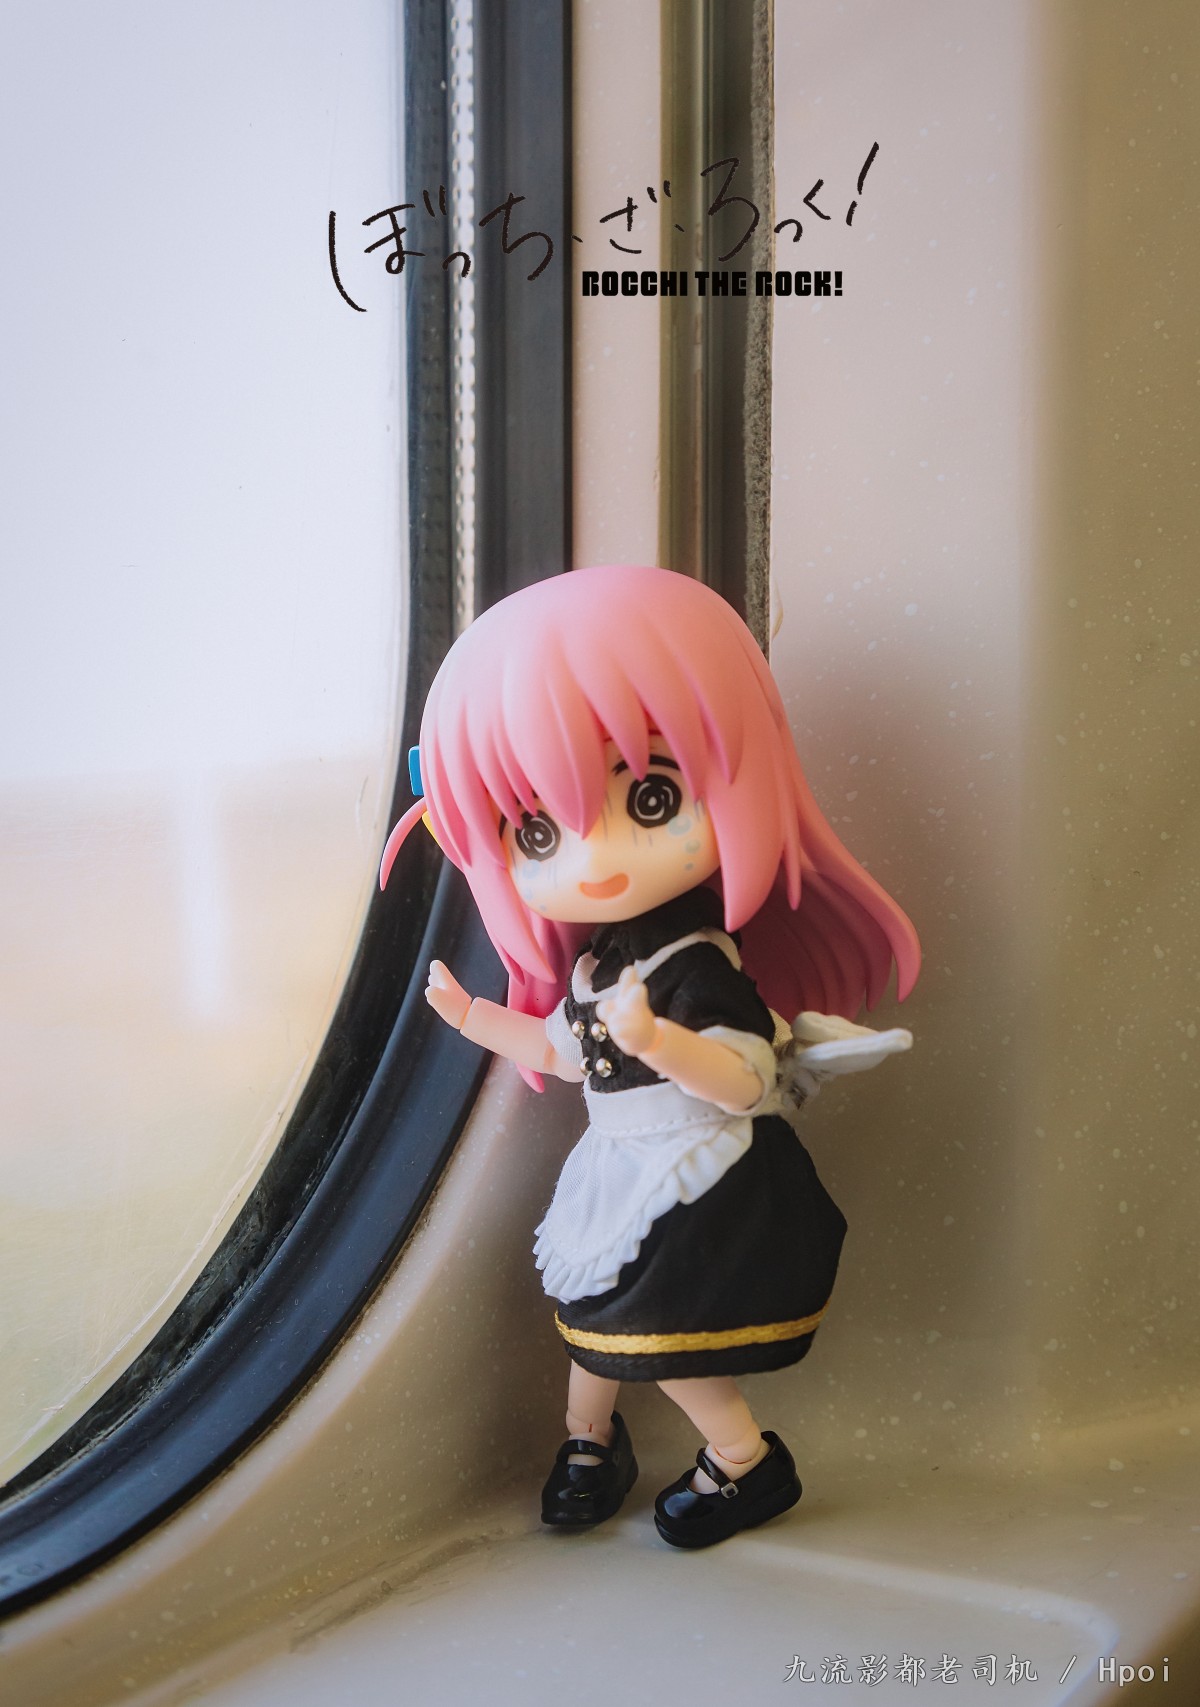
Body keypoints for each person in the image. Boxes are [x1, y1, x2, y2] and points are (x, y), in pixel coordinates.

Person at [380, 565, 919, 1548]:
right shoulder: (597, 965)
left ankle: (745, 1461)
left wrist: (658, 1041)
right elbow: (560, 1049)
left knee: (662, 1340)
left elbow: (748, 1080)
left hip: (698, 1172)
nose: (593, 858)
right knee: (594, 1323)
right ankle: (589, 1442)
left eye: (653, 796)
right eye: (536, 831)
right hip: (623, 1169)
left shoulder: (696, 965)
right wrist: (470, 1016)